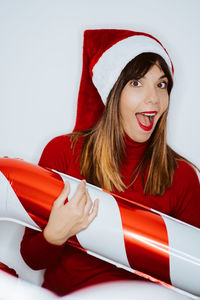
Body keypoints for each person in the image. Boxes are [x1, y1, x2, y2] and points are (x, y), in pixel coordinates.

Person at [20, 29, 200, 296]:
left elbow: (193, 275)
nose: (153, 98)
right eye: (136, 83)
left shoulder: (182, 176)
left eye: (161, 84)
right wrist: (53, 237)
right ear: (112, 92)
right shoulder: (63, 153)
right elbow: (32, 259)